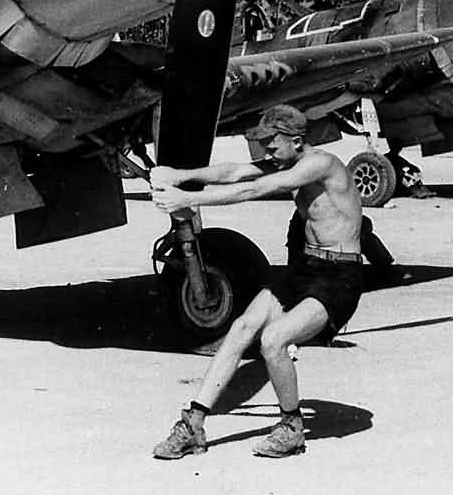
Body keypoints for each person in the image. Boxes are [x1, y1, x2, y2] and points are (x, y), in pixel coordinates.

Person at [149, 104, 363, 461]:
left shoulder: (321, 164)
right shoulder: (288, 160)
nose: (267, 152)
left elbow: (257, 188)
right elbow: (234, 172)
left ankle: (292, 427)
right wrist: (179, 174)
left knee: (273, 340)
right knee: (241, 328)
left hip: (339, 277)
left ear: (296, 140)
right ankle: (193, 424)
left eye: (272, 144)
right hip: (305, 268)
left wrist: (189, 199)